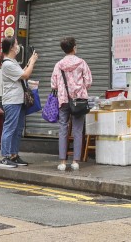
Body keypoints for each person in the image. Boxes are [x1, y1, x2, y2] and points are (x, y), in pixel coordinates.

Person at [50, 37, 92, 172]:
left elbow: (54, 85)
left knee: (63, 129)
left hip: (63, 100)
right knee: (78, 130)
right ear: (74, 47)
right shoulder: (81, 63)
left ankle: (62, 162)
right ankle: (75, 161)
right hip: (78, 100)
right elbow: (89, 81)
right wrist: (80, 88)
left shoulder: (58, 65)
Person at [0, 37, 37, 168]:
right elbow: (26, 75)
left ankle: (13, 155)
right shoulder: (7, 64)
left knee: (18, 129)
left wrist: (29, 62)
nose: (18, 46)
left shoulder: (13, 62)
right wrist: (32, 62)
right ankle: (5, 157)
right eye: (16, 44)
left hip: (19, 100)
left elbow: (22, 73)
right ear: (11, 48)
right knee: (10, 128)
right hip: (12, 101)